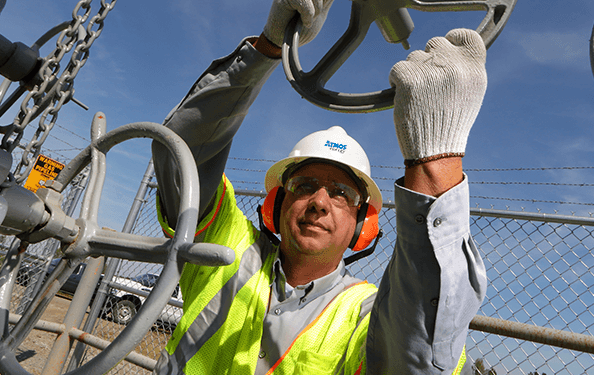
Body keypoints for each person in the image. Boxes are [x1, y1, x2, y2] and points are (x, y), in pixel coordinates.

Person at [150, 0, 487, 373]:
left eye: (342, 193)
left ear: (363, 225)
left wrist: (435, 162)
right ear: (276, 203)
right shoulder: (229, 249)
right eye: (305, 185)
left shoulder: (365, 314)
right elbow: (181, 158)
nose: (320, 203)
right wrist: (268, 48)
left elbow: (416, 357)